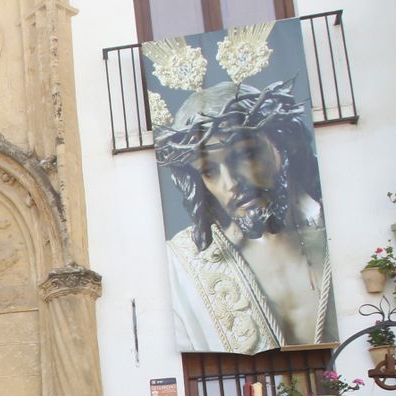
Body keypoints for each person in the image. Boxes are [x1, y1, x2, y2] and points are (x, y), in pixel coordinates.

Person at [144, 27, 338, 355]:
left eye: (244, 155)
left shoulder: (340, 223)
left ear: (282, 142)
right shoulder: (183, 267)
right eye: (209, 170)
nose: (231, 182)